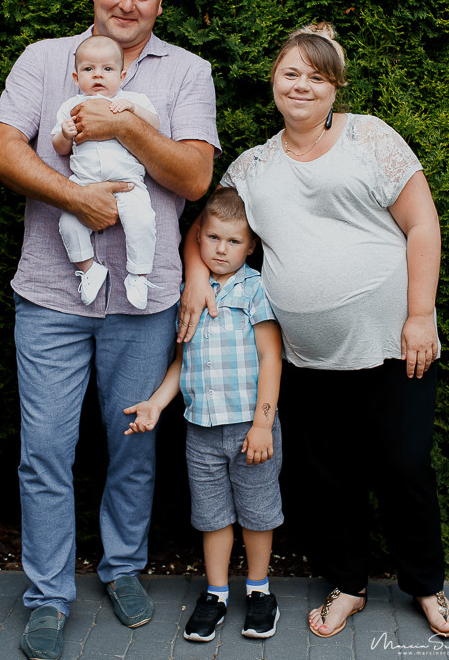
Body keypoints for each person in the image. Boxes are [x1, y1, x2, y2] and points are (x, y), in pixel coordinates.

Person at [178, 23, 449, 640]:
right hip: (307, 357)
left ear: (335, 87)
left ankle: (427, 586)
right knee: (330, 479)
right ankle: (348, 585)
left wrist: (420, 314)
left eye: (316, 76)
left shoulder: (371, 138)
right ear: (273, 81)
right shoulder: (253, 167)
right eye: (291, 73)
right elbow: (207, 229)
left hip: (393, 344)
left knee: (405, 467)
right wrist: (196, 276)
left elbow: (423, 223)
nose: (301, 85)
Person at [0, 0, 219, 660]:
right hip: (52, 293)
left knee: (132, 447)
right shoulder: (44, 59)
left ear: (159, 4)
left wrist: (125, 127)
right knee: (45, 452)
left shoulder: (186, 72)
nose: (127, 3)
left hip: (145, 304)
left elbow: (195, 177)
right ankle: (48, 597)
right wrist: (74, 197)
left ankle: (121, 569)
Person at [125, 187, 283, 642]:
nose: (221, 249)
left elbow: (271, 358)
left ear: (250, 246)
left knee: (257, 514)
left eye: (234, 241)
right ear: (199, 238)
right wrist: (156, 403)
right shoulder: (188, 292)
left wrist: (263, 424)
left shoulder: (255, 290)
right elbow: (183, 362)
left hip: (251, 430)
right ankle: (216, 594)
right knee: (212, 517)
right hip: (201, 432)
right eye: (213, 237)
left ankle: (259, 591)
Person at [52, 34, 159, 309]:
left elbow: (155, 126)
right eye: (89, 69)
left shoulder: (131, 99)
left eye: (107, 69)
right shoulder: (70, 107)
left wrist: (133, 110)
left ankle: (138, 275)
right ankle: (89, 268)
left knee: (142, 220)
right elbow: (60, 148)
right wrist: (65, 133)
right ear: (76, 78)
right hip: (83, 183)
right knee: (68, 223)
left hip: (128, 182)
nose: (98, 75)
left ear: (122, 76)